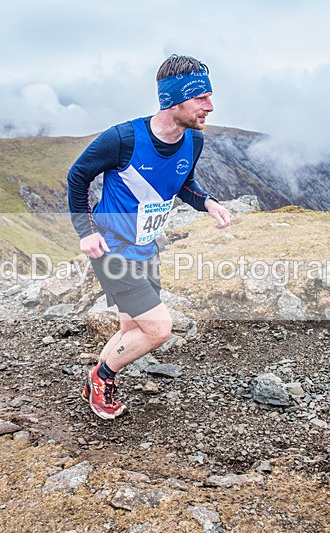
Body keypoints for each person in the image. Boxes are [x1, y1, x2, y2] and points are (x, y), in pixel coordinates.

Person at [67, 54, 232, 420]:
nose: (210, 106)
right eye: (201, 98)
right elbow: (78, 177)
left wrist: (207, 203)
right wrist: (86, 232)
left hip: (146, 247)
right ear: (173, 100)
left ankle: (97, 380)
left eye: (210, 96)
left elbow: (183, 184)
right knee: (158, 329)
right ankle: (101, 378)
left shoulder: (192, 142)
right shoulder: (123, 139)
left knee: (132, 326)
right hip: (112, 249)